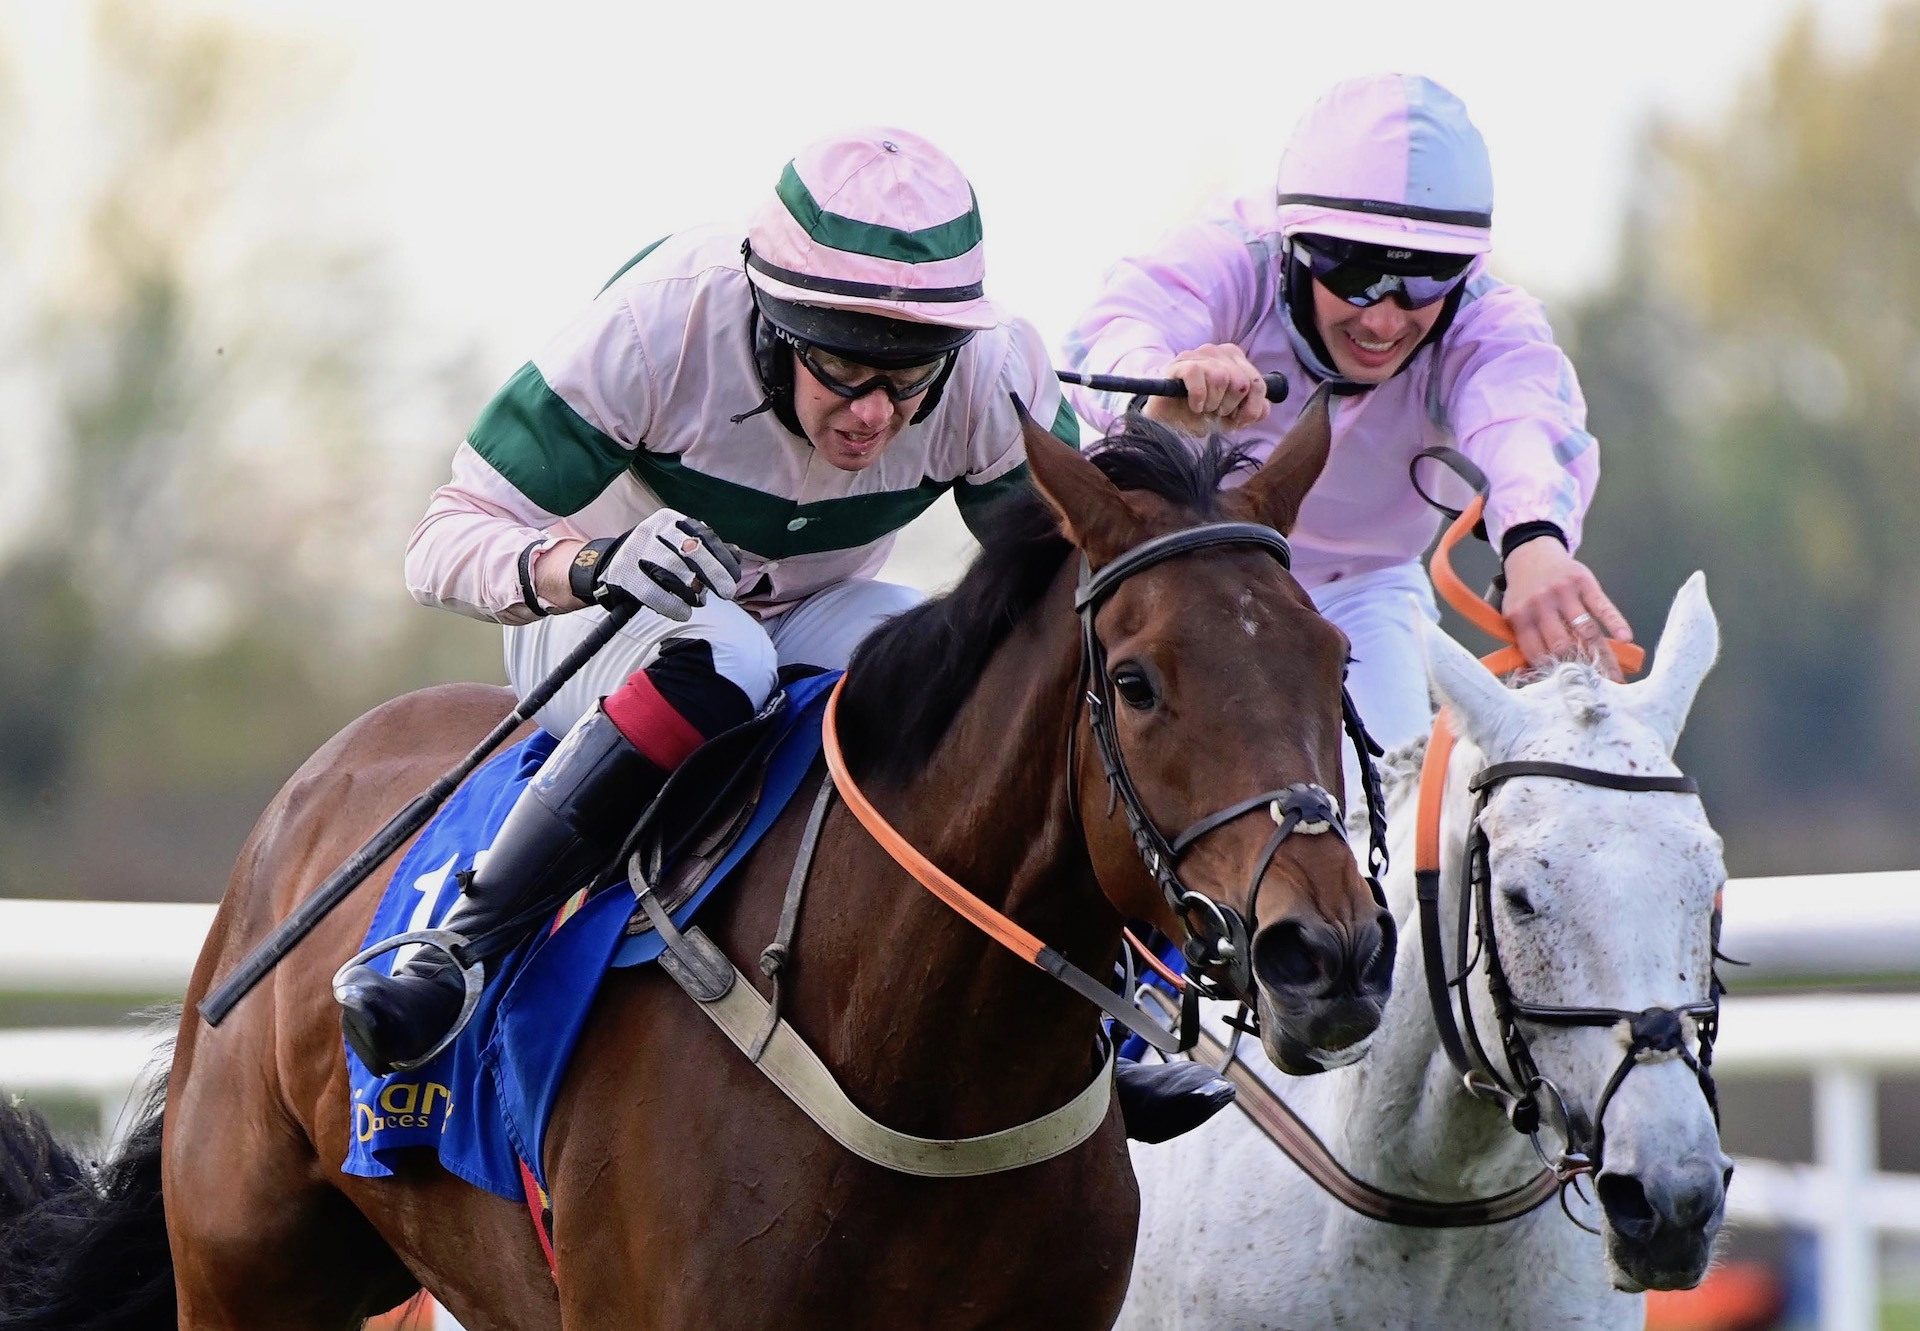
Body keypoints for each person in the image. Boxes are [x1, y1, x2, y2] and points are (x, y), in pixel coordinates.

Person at [334, 127, 1231, 1141]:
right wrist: (585, 563)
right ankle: (461, 949)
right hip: (603, 615)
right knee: (727, 657)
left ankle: (1095, 1013)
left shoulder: (992, 369)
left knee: (956, 664)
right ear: (772, 323)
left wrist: (1171, 433)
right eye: (846, 372)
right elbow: (440, 538)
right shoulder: (658, 323)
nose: (875, 417)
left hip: (815, 612)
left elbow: (1099, 570)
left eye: (912, 378)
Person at [1060, 73, 1633, 785]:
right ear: (1295, 246)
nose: (1386, 320)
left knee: (1393, 813)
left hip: (1361, 594)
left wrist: (1535, 541)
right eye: (1356, 275)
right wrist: (1166, 382)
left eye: (1426, 280)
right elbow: (1106, 331)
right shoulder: (1236, 252)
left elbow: (1524, 414)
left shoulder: (1486, 319)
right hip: (1176, 587)